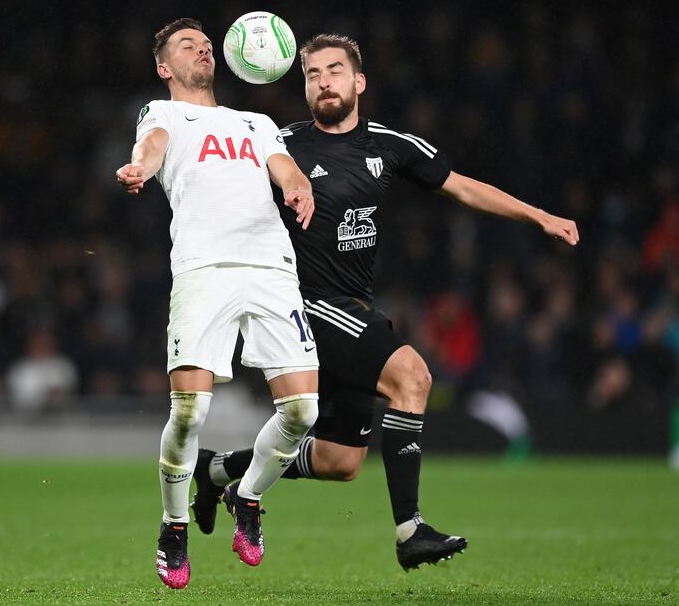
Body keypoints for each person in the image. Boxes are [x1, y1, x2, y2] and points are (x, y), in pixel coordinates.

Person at [191, 34, 579, 571]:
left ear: (359, 82)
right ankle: (410, 530)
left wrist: (541, 217)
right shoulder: (278, 146)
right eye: (312, 74)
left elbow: (462, 188)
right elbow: (217, 180)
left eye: (334, 71)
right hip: (302, 304)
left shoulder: (390, 146)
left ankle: (216, 473)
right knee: (412, 377)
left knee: (338, 461)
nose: (323, 81)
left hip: (350, 303)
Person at [115, 18, 320, 590]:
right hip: (204, 270)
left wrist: (297, 185)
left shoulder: (256, 121)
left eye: (205, 43)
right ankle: (174, 524)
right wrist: (140, 169)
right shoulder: (164, 114)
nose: (203, 47)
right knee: (190, 413)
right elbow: (151, 148)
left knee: (303, 413)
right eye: (188, 44)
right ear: (164, 67)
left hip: (272, 269)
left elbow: (284, 167)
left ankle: (246, 496)